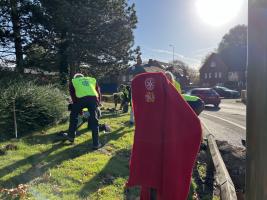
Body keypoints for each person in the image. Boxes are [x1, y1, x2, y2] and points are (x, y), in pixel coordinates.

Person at [65, 73, 102, 149]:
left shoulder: (74, 81)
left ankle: (71, 136)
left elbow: (73, 94)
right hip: (93, 100)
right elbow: (98, 92)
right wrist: (98, 103)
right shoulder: (91, 80)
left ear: (76, 78)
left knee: (73, 117)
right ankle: (96, 144)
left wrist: (77, 108)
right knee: (94, 121)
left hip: (80, 100)